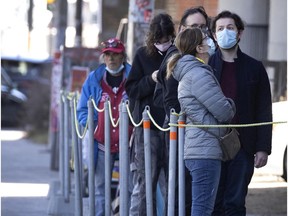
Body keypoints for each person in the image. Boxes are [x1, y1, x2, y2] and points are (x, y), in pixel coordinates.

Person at [208, 11, 273, 216]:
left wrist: (263, 148)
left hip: (243, 146)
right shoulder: (206, 66)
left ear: (239, 33)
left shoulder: (254, 68)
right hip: (211, 144)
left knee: (235, 203)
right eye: (220, 29)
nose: (225, 32)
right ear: (213, 34)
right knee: (213, 202)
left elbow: (263, 109)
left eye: (230, 28)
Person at [166, 27, 236, 216]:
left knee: (201, 207)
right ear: (199, 47)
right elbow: (224, 112)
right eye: (206, 39)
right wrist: (230, 103)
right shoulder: (198, 74)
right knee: (203, 209)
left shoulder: (192, 72)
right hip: (204, 150)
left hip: (198, 148)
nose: (210, 41)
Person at [153, 6, 215, 215]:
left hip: (201, 138)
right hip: (182, 135)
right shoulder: (177, 59)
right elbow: (169, 100)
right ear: (182, 30)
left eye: (203, 27)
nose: (200, 32)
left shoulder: (205, 57)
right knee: (183, 194)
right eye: (194, 27)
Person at [125, 13, 176, 216]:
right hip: (148, 127)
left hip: (173, 125)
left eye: (167, 40)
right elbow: (131, 89)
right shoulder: (142, 55)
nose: (163, 44)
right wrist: (151, 79)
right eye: (159, 41)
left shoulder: (177, 54)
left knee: (173, 180)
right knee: (146, 180)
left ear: (173, 36)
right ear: (152, 39)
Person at [76, 38, 132, 216]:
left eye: (115, 55)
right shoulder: (94, 79)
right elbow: (82, 110)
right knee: (100, 188)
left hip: (128, 145)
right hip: (101, 145)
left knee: (129, 187)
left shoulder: (133, 78)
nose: (111, 58)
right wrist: (93, 128)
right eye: (107, 54)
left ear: (123, 56)